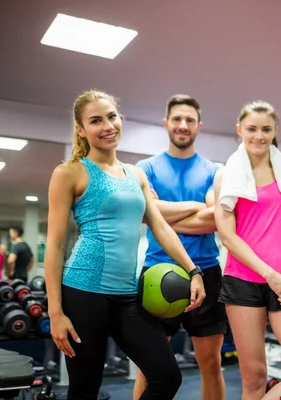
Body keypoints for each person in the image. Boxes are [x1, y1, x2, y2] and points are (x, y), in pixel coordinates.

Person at [44, 90, 206, 400]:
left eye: (111, 117)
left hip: (127, 294)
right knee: (85, 388)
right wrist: (56, 313)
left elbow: (159, 226)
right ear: (81, 130)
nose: (107, 126)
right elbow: (54, 246)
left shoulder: (136, 174)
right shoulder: (69, 173)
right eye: (95, 121)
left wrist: (193, 270)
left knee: (166, 376)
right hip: (82, 291)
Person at [214, 100, 281, 400]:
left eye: (266, 129)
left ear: (275, 130)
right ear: (239, 130)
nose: (258, 136)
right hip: (243, 282)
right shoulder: (225, 176)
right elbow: (227, 236)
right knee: (254, 377)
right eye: (251, 129)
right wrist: (268, 275)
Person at [134, 94, 227, 400]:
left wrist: (159, 214)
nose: (183, 125)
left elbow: (215, 219)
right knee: (149, 367)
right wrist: (194, 205)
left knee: (211, 364)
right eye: (177, 119)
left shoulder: (214, 170)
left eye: (189, 120)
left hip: (208, 271)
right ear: (166, 123)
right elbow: (145, 213)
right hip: (158, 272)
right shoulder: (145, 168)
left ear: (199, 126)